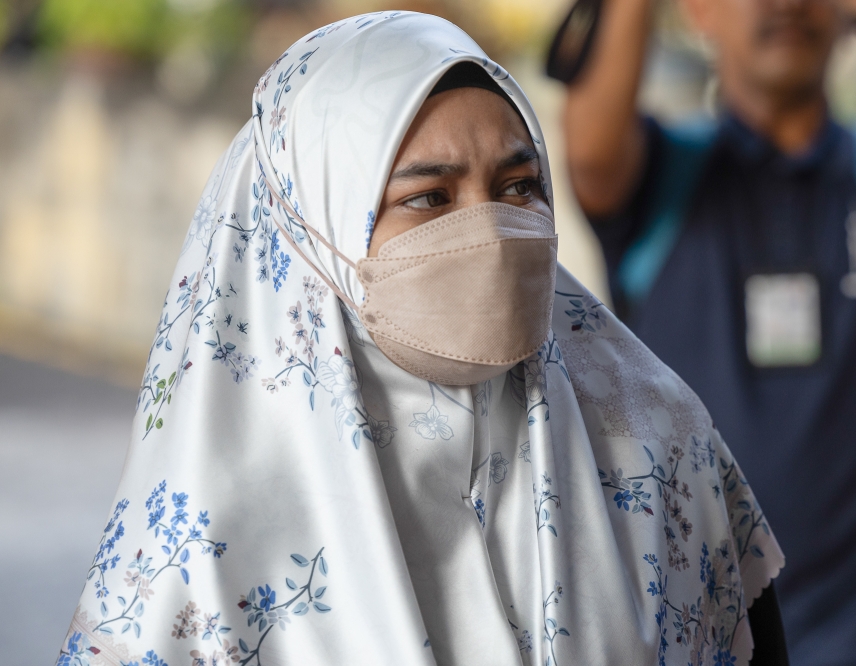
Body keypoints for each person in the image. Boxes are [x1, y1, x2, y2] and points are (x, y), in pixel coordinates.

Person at [58, 12, 787, 666]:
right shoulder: (203, 547)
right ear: (316, 233)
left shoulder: (661, 449)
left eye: (518, 186)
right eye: (430, 199)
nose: (491, 233)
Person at [550, 0, 856, 664]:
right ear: (699, 12)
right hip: (690, 642)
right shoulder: (664, 176)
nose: (786, 4)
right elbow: (589, 155)